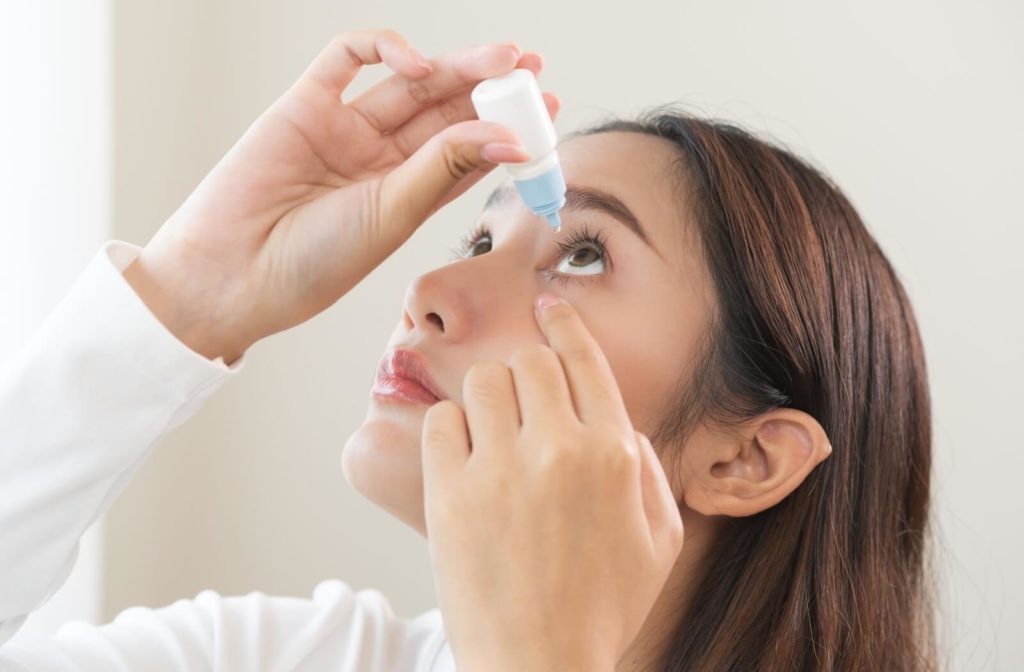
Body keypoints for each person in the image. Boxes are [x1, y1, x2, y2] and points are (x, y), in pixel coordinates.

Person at [0, 26, 937, 672]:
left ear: (745, 456)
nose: (428, 295)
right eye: (479, 243)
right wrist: (187, 298)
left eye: (581, 254)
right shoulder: (285, 654)